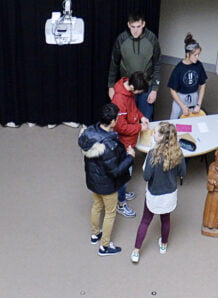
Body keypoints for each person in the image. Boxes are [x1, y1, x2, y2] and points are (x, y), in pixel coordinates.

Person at [79, 103, 132, 257]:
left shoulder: (88, 133)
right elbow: (115, 170)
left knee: (96, 206)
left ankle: (95, 234)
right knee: (110, 212)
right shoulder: (109, 145)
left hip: (93, 181)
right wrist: (130, 157)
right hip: (107, 185)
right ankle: (105, 246)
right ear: (113, 122)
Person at [131, 122, 186, 264]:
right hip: (169, 194)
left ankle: (136, 251)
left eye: (155, 133)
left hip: (154, 193)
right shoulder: (178, 153)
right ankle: (164, 244)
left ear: (161, 137)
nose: (152, 134)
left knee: (145, 221)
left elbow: (146, 177)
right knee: (166, 219)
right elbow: (182, 172)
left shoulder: (152, 155)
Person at [106, 13, 160, 119]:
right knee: (126, 118)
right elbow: (114, 63)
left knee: (145, 118)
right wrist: (111, 86)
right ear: (128, 25)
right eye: (132, 27)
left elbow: (157, 65)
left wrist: (155, 89)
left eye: (138, 27)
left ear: (143, 24)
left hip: (146, 87)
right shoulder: (121, 39)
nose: (135, 30)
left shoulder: (152, 38)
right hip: (128, 87)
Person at [110, 72, 148, 216]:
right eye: (138, 91)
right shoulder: (119, 99)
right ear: (132, 86)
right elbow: (120, 127)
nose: (139, 94)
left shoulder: (129, 92)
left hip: (130, 141)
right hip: (124, 143)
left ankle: (123, 193)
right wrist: (139, 127)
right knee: (124, 174)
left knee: (127, 172)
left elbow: (133, 110)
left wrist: (141, 117)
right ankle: (121, 203)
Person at [167, 34, 207, 117]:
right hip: (180, 98)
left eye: (198, 54)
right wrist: (182, 106)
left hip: (194, 96)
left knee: (191, 121)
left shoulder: (199, 65)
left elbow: (203, 84)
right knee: (175, 122)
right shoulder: (178, 68)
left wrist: (198, 104)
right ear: (188, 54)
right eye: (195, 55)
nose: (197, 57)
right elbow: (172, 90)